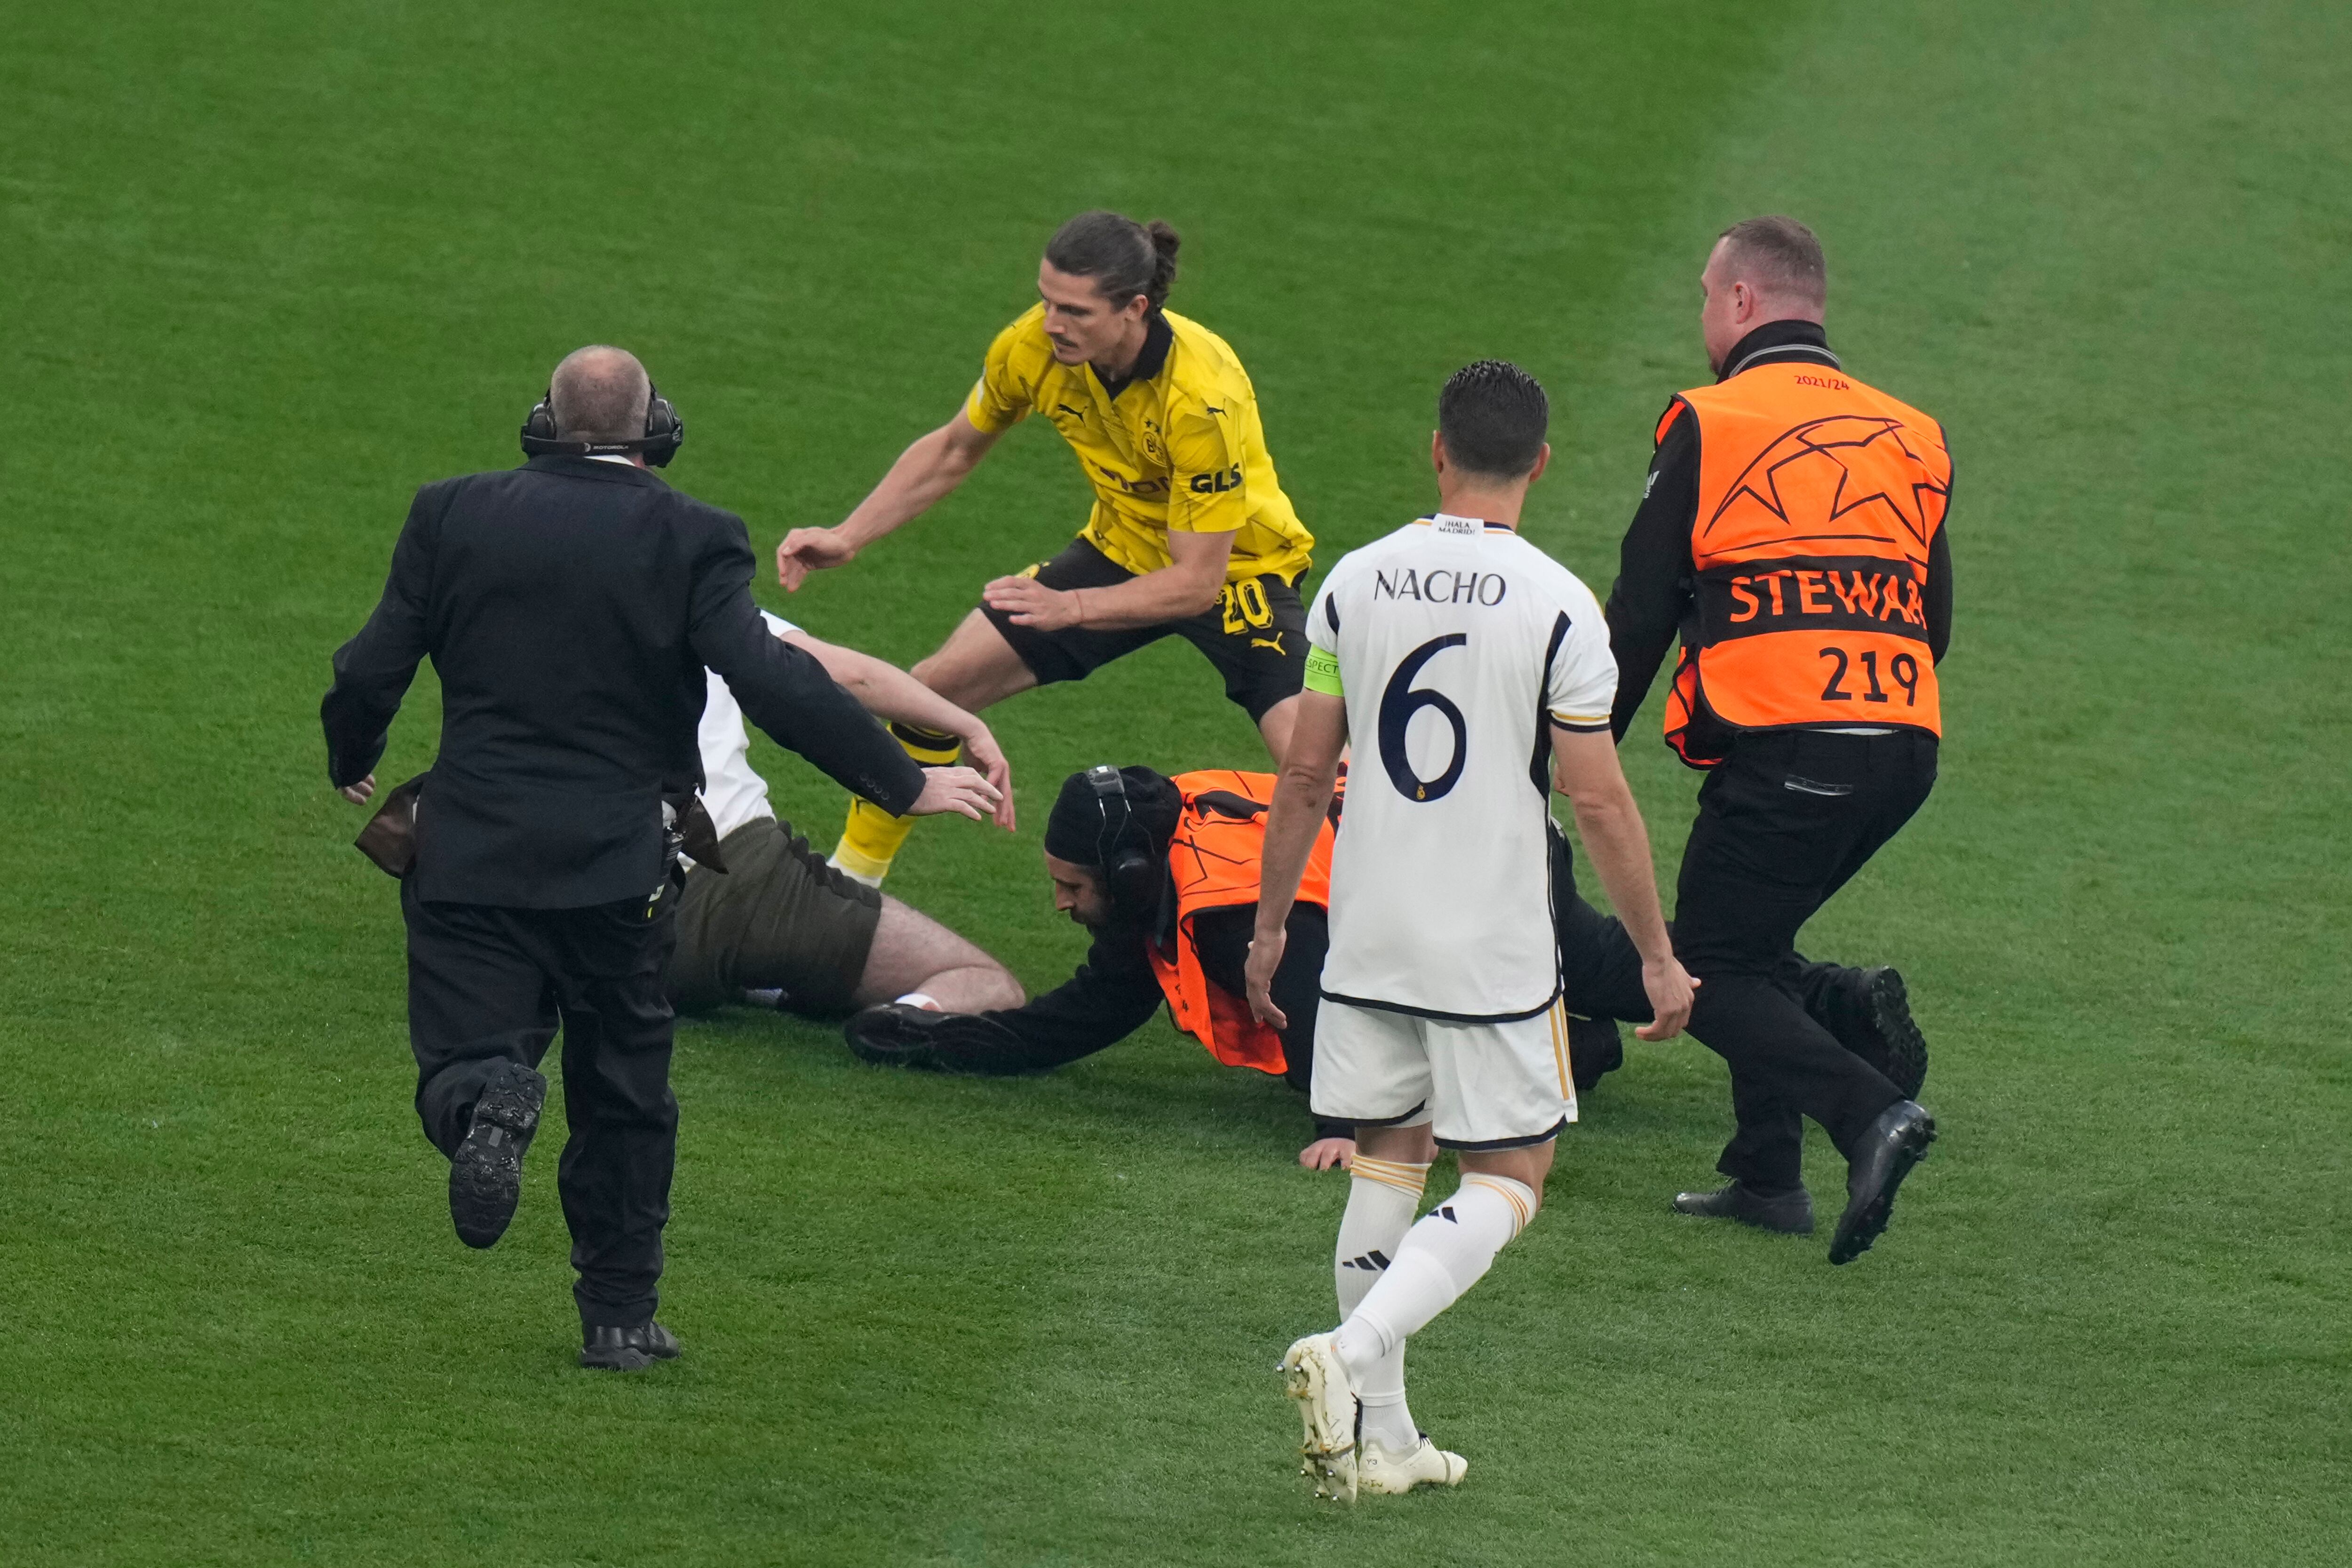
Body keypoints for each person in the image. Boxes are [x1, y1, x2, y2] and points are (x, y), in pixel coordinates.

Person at [321, 346, 1002, 1372]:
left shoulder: (450, 512)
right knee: (626, 1089)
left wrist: (354, 751)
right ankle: (620, 1315)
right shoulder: (694, 536)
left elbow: (372, 661)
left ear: (542, 422)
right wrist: (903, 782)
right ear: (657, 432)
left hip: (470, 853)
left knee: (465, 1052)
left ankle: (489, 1102)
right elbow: (777, 682)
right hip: (619, 869)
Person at [1247, 361, 1698, 1498]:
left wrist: (1267, 930)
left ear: (1434, 450)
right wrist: (1651, 956)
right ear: (1540, 464)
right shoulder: (1559, 606)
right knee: (1512, 1172)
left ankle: (1387, 1445)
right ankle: (1347, 1359)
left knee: (1388, 1155)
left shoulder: (1353, 583)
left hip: (1368, 934)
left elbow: (1306, 769)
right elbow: (1595, 800)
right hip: (1488, 945)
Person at [775, 210, 1317, 887]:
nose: (1053, 323)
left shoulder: (1201, 398)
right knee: (933, 690)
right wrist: (847, 534)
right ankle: (850, 887)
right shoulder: (1030, 348)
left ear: (1136, 309)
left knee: (1314, 767)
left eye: (1076, 311)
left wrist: (1072, 608)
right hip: (1121, 548)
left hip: (1239, 570)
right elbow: (953, 448)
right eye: (1047, 300)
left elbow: (1196, 583)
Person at [1605, 215, 1949, 1264]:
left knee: (1703, 962)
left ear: (1743, 303)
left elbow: (1639, 609)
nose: (1704, 317)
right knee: (1751, 940)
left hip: (1794, 743)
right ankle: (1766, 1175)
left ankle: (1869, 1112)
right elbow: (1932, 622)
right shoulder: (1911, 431)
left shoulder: (1711, 421)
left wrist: (1570, 752)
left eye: (1707, 297)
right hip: (1902, 747)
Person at [669, 609, 1026, 1020]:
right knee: (987, 982)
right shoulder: (702, 592)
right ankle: (902, 1020)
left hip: (602, 916)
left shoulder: (581, 593)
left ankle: (759, 978)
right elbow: (848, 677)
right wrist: (967, 727)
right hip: (729, 882)